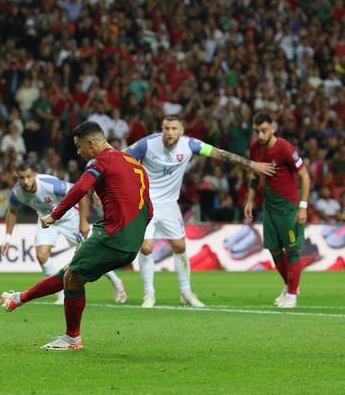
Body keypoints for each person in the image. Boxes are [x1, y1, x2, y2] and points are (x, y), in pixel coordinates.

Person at [0, 122, 151, 350]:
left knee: (71, 277)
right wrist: (135, 233)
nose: (79, 152)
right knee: (72, 274)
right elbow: (148, 209)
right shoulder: (135, 164)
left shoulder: (99, 162)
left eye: (79, 147)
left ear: (91, 144)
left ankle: (72, 338)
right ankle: (18, 299)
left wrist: (54, 215)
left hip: (112, 235)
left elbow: (80, 189)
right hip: (131, 241)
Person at [126, 115, 275, 308]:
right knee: (146, 247)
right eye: (166, 128)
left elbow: (220, 154)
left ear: (181, 131)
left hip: (170, 205)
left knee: (179, 247)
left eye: (173, 129)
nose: (169, 133)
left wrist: (251, 164)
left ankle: (186, 292)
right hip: (145, 203)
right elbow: (119, 158)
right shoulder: (146, 145)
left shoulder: (190, 145)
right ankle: (149, 294)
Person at [1, 162, 127, 305]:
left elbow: (80, 193)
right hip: (46, 220)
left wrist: (83, 221)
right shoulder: (16, 193)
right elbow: (12, 212)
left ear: (35, 174)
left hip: (68, 217)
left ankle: (117, 283)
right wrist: (7, 239)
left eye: (28, 177)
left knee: (92, 254)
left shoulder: (50, 184)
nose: (26, 181)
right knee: (41, 255)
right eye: (22, 178)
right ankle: (61, 293)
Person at [244, 113, 311, 308]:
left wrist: (303, 206)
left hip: (288, 208)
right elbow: (255, 175)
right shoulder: (255, 148)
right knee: (274, 251)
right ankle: (289, 286)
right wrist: (249, 200)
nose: (261, 136)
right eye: (257, 132)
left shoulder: (285, 148)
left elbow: (305, 177)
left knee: (292, 251)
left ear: (273, 128)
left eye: (264, 131)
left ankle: (292, 295)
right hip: (269, 207)